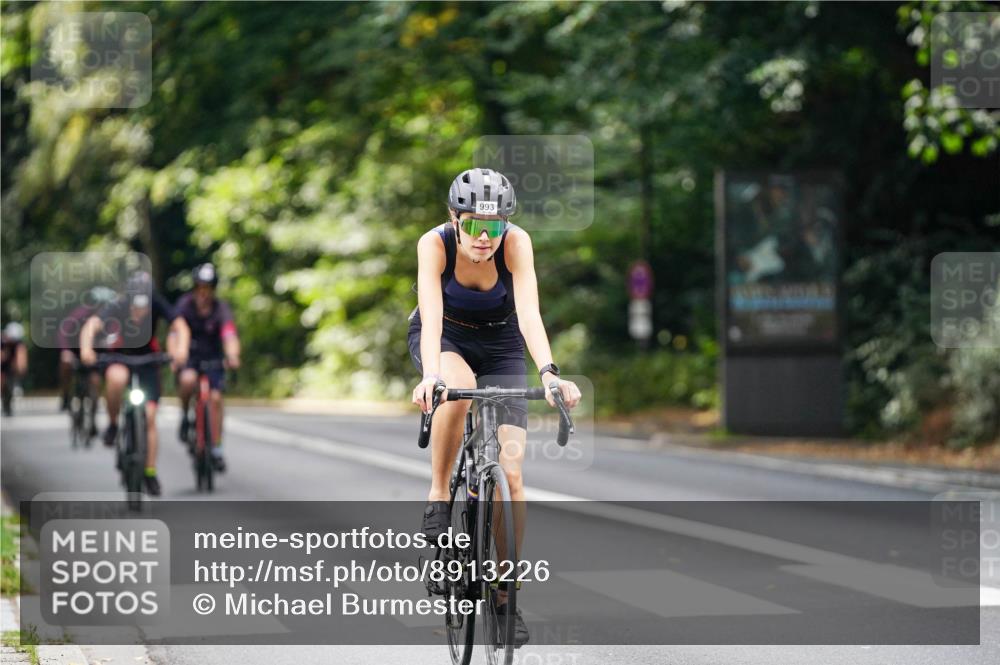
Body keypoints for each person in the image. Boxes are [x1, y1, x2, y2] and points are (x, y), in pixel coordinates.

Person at [409, 167, 582, 646]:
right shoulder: (435, 244)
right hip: (447, 338)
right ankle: (440, 492)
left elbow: (528, 313)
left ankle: (506, 594)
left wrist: (549, 372)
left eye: (496, 225)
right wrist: (431, 376)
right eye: (473, 225)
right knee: (457, 388)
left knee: (514, 471)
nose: (485, 237)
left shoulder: (516, 244)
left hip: (504, 343)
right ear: (454, 218)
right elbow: (431, 317)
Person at [79, 271, 190, 496]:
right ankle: (112, 424)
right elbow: (92, 325)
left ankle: (149, 471)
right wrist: (86, 349)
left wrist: (180, 350)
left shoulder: (157, 302)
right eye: (136, 303)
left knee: (149, 417)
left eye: (144, 304)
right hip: (120, 356)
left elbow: (180, 326)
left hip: (149, 360)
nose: (140, 311)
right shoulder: (118, 305)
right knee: (116, 379)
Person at [174, 263, 241, 472]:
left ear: (213, 289)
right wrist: (177, 355)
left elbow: (229, 334)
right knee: (187, 381)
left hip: (213, 360)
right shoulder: (184, 305)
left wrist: (233, 355)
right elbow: (174, 333)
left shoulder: (220, 308)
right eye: (199, 287)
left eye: (208, 288)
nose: (203, 292)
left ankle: (217, 447)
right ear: (194, 288)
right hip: (190, 359)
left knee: (215, 399)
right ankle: (185, 416)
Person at [57, 286, 117, 425]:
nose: (102, 309)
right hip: (77, 350)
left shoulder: (113, 317)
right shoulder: (80, 314)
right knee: (65, 365)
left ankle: (93, 419)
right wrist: (66, 351)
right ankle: (66, 394)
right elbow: (63, 332)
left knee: (95, 381)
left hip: (99, 352)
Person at [1, 321, 28, 416]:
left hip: (11, 366)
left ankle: (15, 384)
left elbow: (22, 363)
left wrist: (19, 370)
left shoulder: (19, 345)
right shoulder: (2, 342)